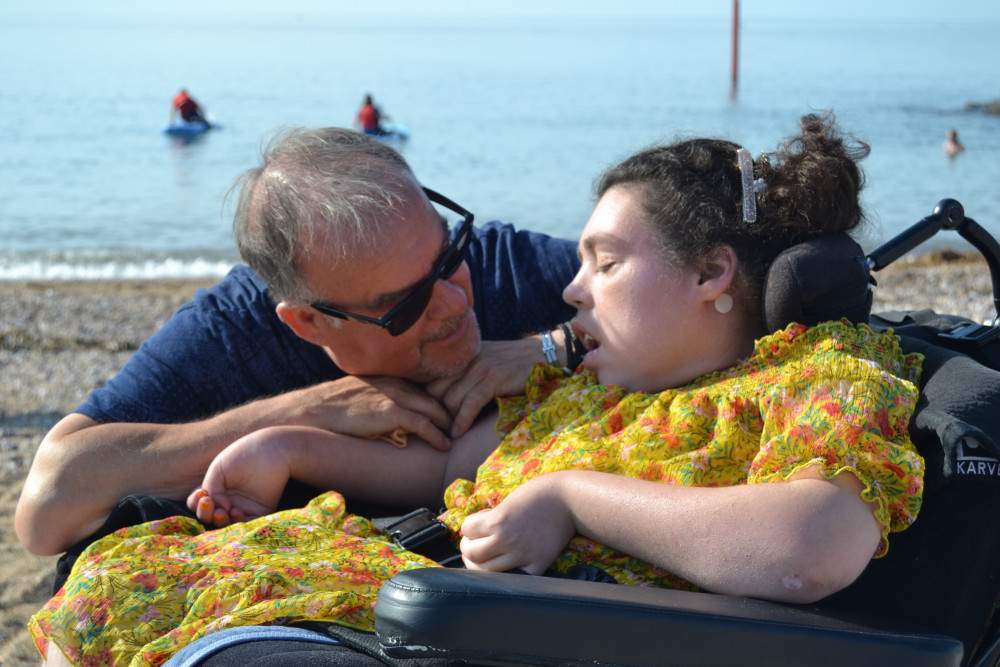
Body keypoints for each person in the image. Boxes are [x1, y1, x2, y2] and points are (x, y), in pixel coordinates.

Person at [30, 113, 925, 666]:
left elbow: (813, 544)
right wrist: (294, 439)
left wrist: (571, 483)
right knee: (116, 571)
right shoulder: (606, 385)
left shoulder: (810, 380)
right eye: (407, 303)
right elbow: (454, 466)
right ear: (307, 323)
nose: (570, 292)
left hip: (505, 622)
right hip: (455, 597)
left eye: (604, 263)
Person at [14, 127, 580, 558]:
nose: (456, 301)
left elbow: (666, 285)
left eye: (449, 258)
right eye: (403, 304)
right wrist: (310, 411)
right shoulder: (232, 333)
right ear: (308, 323)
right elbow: (47, 508)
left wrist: (557, 345)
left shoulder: (505, 265)